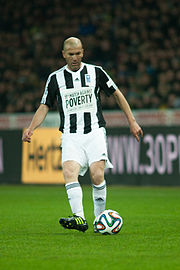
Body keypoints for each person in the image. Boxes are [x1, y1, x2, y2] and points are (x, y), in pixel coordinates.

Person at [22, 37, 143, 233]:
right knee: (69, 173)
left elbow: (117, 94)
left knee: (97, 175)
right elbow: (44, 105)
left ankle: (99, 219)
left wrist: (132, 120)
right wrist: (31, 128)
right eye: (71, 54)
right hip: (70, 134)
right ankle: (79, 218)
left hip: (94, 131)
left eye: (78, 53)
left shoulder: (96, 72)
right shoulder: (55, 78)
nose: (75, 58)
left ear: (83, 52)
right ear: (63, 55)